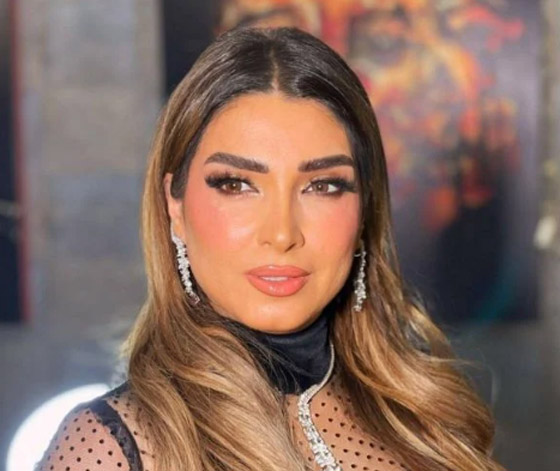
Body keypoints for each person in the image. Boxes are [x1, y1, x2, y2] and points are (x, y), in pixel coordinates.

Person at [35, 26, 502, 471]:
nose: (281, 233)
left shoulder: (427, 421)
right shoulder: (112, 447)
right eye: (236, 184)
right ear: (174, 205)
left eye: (323, 186)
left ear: (364, 209)